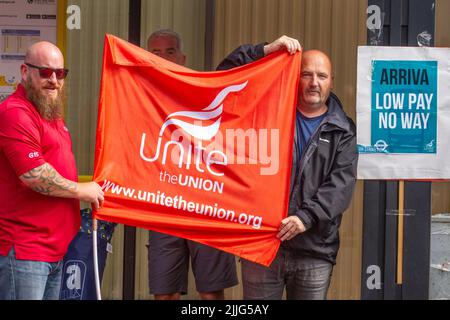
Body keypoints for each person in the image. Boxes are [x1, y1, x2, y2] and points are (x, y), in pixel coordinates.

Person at [217, 35, 358, 300]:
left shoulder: (344, 131)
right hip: (263, 245)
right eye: (306, 74)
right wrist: (265, 51)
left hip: (314, 250)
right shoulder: (268, 110)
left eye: (321, 76)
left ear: (331, 82)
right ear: (295, 76)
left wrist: (305, 217)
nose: (314, 83)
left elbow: (341, 186)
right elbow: (224, 78)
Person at [0, 41, 104, 300]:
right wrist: (83, 190)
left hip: (54, 250)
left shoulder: (50, 114)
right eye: (45, 73)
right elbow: (34, 175)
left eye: (61, 73)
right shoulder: (15, 112)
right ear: (25, 72)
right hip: (25, 251)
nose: (54, 80)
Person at [145, 29, 238, 300]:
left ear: (182, 57)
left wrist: (267, 50)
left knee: (210, 293)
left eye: (170, 51)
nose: (163, 57)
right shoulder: (139, 96)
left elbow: (237, 64)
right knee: (164, 294)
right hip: (163, 207)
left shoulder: (203, 89)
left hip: (205, 204)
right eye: (155, 52)